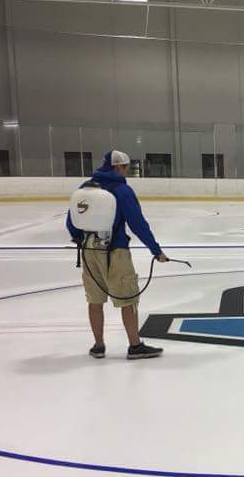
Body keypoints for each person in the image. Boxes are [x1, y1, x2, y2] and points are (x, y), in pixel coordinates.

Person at [66, 150, 168, 359]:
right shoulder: (122, 190)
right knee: (128, 298)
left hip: (89, 250)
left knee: (94, 300)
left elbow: (72, 220)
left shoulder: (86, 188)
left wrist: (79, 238)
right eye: (125, 167)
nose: (127, 171)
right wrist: (155, 250)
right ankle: (134, 345)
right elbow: (137, 223)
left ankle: (98, 345)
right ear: (118, 167)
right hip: (116, 250)